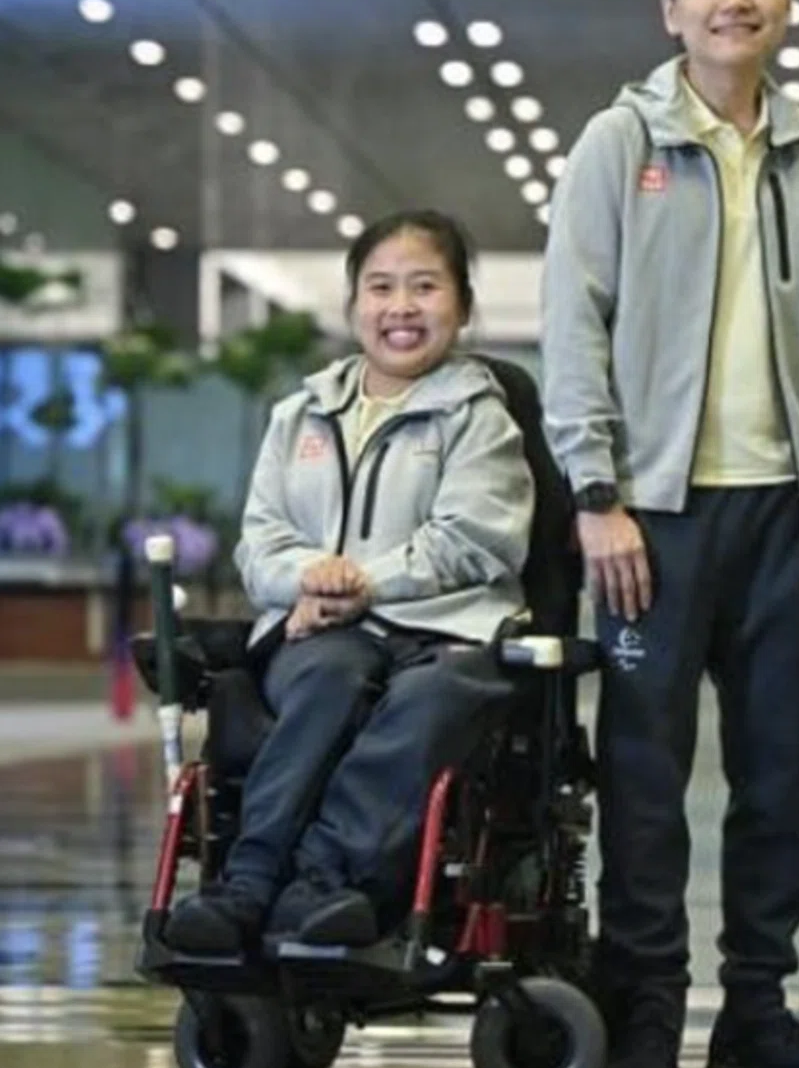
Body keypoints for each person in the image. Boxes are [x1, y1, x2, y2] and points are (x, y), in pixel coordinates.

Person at [539, 0, 799, 1068]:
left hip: (782, 511)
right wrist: (596, 493)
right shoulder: (615, 144)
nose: (735, 0)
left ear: (785, 0)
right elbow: (572, 326)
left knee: (778, 777)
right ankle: (641, 1016)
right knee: (644, 775)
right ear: (669, 8)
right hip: (653, 518)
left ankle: (757, 1016)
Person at [164, 210, 534, 956]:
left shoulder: (481, 416)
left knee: (430, 697)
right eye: (381, 287)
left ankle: (325, 885)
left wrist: (361, 580)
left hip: (449, 632)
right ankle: (247, 886)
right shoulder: (299, 413)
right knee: (330, 675)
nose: (401, 307)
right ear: (352, 303)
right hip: (322, 629)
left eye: (424, 286)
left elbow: (474, 540)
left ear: (461, 305)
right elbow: (260, 541)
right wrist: (308, 577)